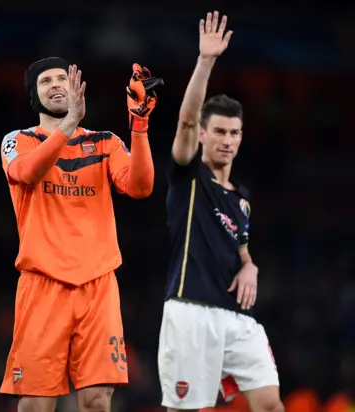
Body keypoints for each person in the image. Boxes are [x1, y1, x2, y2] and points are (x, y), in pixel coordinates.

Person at [0, 57, 159, 412]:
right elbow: (26, 172)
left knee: (97, 401)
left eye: (62, 78)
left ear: (77, 88)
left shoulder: (106, 143)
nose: (56, 85)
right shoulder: (18, 141)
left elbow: (141, 186)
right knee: (36, 403)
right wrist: (69, 124)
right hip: (42, 284)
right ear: (33, 96)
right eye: (46, 81)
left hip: (98, 285)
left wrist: (140, 125)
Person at [158, 11, 284, 412]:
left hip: (236, 320)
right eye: (219, 132)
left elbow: (241, 244)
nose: (227, 140)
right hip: (190, 312)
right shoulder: (189, 177)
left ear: (241, 136)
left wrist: (251, 266)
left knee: (269, 403)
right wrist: (206, 60)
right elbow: (186, 119)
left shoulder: (242, 198)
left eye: (234, 133)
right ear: (204, 135)